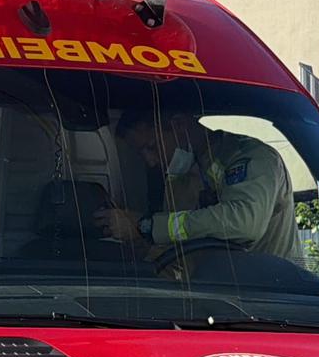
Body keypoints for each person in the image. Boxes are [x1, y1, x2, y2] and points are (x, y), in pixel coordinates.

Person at [95, 110, 303, 263]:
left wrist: (146, 226)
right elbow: (174, 251)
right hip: (211, 297)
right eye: (141, 154)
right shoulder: (181, 178)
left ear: (178, 125)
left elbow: (243, 223)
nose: (150, 161)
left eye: (152, 147)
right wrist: (137, 243)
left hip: (270, 298)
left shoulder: (252, 157)